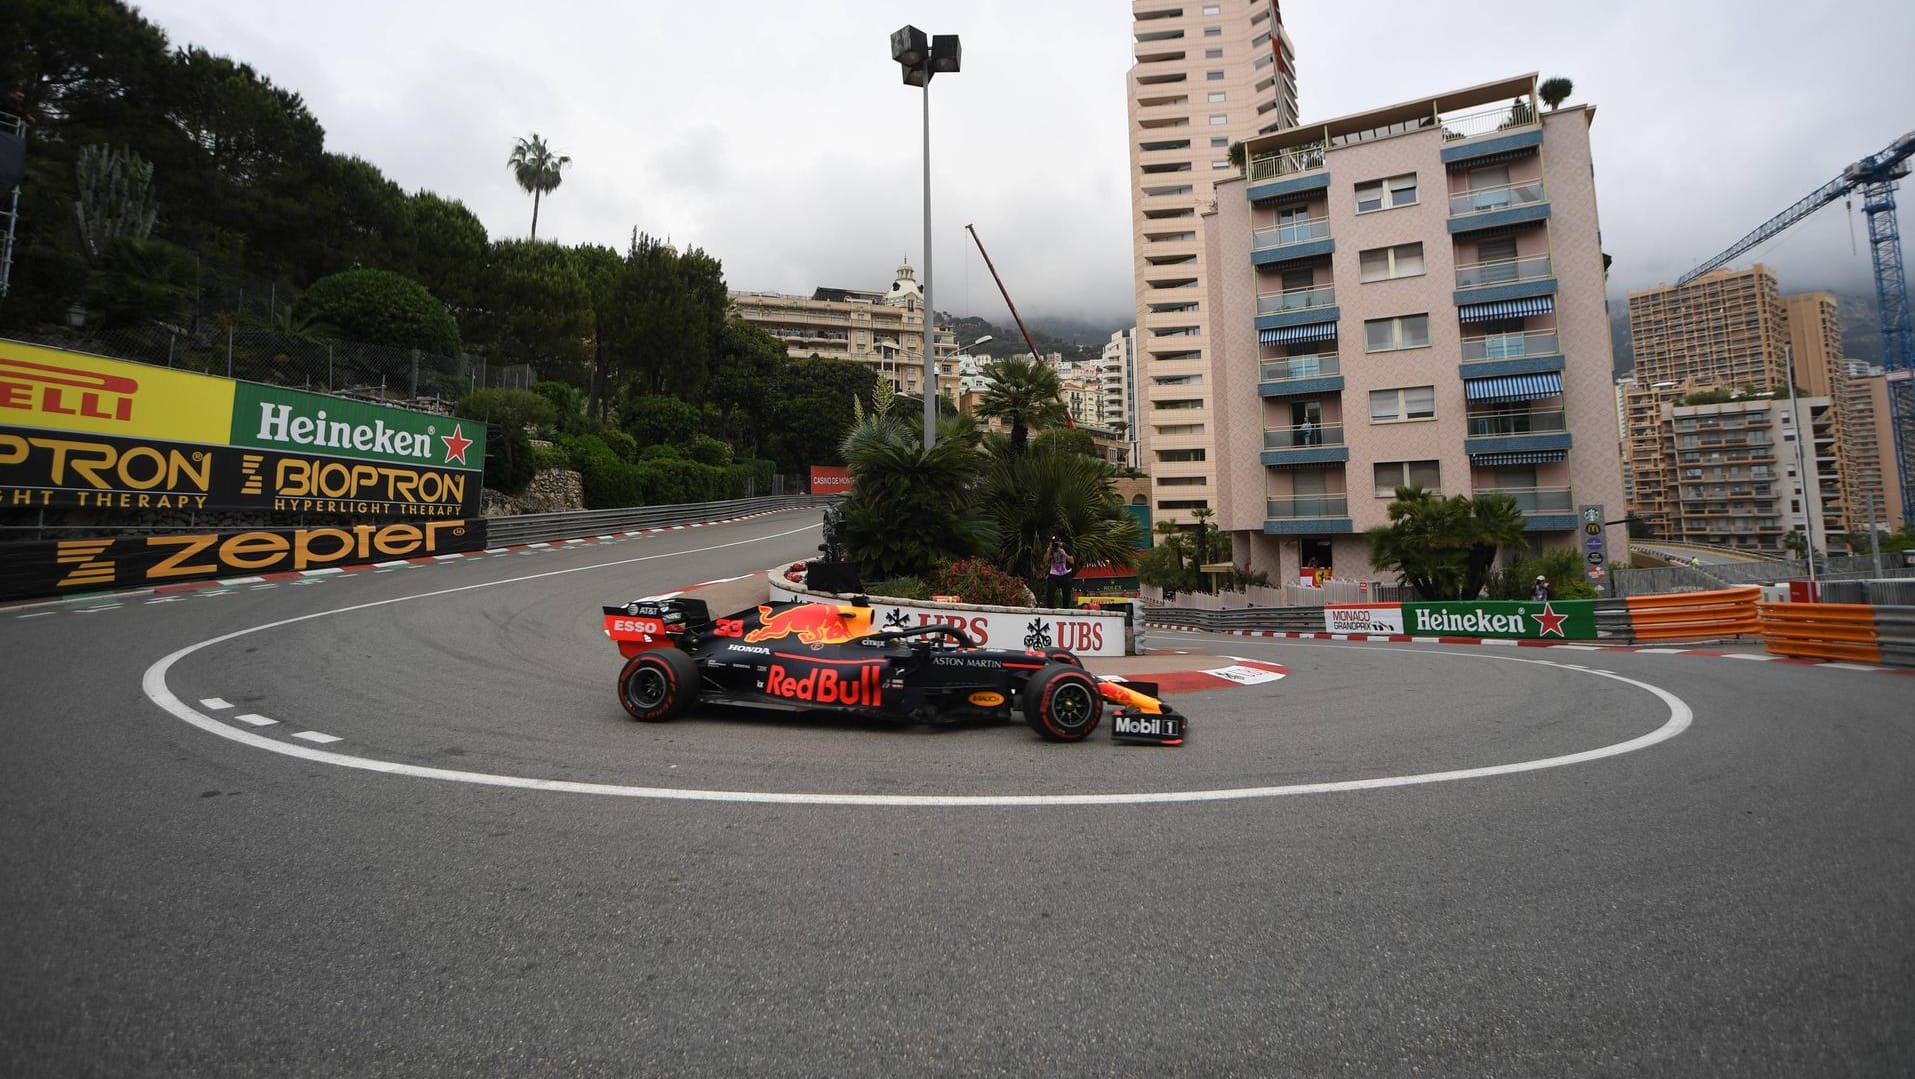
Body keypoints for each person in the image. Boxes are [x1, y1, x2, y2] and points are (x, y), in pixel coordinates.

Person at [1043, 534, 1076, 609]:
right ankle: (1049, 609)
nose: (1055, 545)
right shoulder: (1051, 549)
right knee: (1050, 593)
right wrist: (1048, 551)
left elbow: (1072, 561)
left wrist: (1064, 554)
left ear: (1060, 542)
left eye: (1056, 543)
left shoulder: (1066, 547)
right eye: (1053, 543)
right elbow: (1045, 561)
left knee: (1066, 594)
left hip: (1065, 573)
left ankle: (1065, 609)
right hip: (1054, 573)